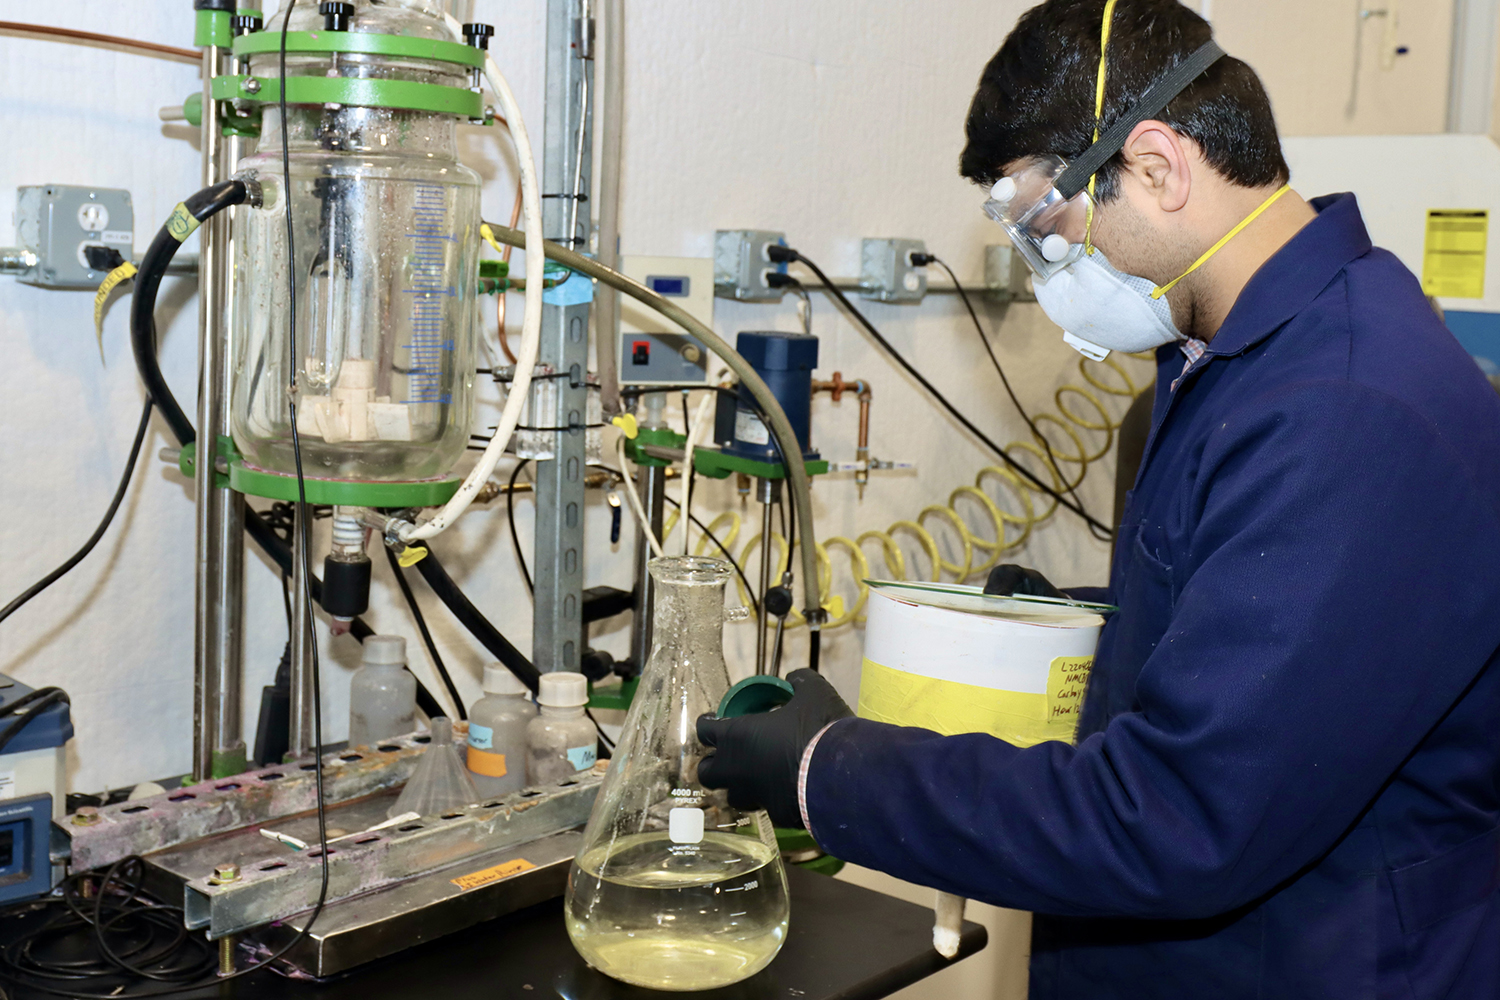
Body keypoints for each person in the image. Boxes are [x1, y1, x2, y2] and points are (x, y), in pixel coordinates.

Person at [696, 2, 1500, 998]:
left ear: (1157, 165)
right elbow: (1277, 635)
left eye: (1047, 222)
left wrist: (828, 769)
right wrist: (1095, 624)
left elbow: (1174, 817)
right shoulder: (1230, 353)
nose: (1045, 272)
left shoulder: (1346, 409)